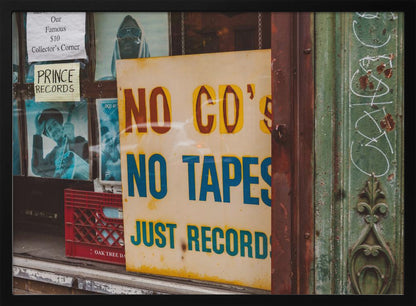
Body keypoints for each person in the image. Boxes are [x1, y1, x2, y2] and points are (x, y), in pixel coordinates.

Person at [31, 108, 89, 179]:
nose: (54, 129)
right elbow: (37, 169)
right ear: (49, 136)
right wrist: (38, 133)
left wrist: (72, 141)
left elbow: (88, 162)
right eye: (50, 129)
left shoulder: (79, 140)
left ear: (61, 125)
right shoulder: (51, 156)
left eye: (55, 124)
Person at [107, 14, 150, 79]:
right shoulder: (104, 84)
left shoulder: (158, 81)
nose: (128, 36)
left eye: (134, 31)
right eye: (122, 32)